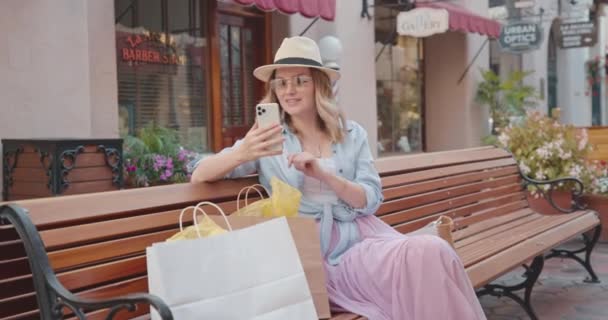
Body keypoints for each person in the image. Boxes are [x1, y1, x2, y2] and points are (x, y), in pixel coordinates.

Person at [191, 36, 486, 320]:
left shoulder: (351, 134)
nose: (289, 90)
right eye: (281, 82)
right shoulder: (267, 139)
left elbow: (370, 199)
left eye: (300, 80)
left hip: (362, 240)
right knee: (426, 257)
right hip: (316, 255)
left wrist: (325, 175)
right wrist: (243, 152)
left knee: (432, 250)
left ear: (318, 84)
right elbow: (199, 174)